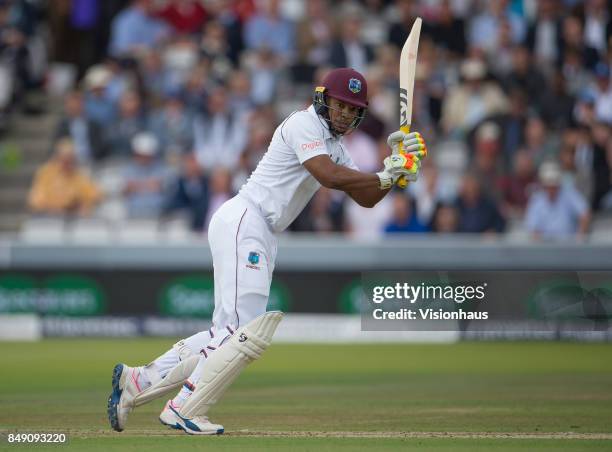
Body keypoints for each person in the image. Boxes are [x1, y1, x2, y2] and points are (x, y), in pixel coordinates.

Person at [107, 68, 427, 435]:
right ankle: (183, 407)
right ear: (324, 100)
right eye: (339, 105)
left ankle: (138, 382)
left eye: (351, 109)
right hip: (247, 218)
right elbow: (328, 176)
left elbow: (366, 197)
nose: (344, 114)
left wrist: (394, 169)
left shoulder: (336, 146)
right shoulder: (302, 124)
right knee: (246, 333)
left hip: (257, 229)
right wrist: (385, 175)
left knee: (224, 333)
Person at [28, 138, 102, 216]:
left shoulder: (79, 174)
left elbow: (96, 195)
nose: (68, 163)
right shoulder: (46, 173)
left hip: (74, 219)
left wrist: (82, 203)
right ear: (57, 158)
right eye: (65, 159)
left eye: (71, 159)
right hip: (49, 219)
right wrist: (61, 205)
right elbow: (35, 201)